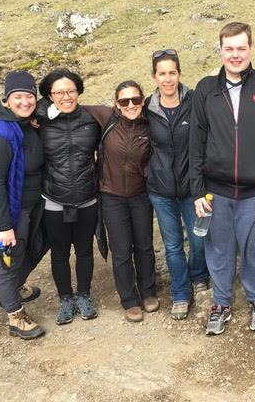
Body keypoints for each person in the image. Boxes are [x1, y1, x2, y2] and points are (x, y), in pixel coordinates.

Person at [189, 22, 255, 335]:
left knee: (253, 246)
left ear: (250, 49)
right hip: (216, 190)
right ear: (220, 51)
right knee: (219, 248)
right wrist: (197, 190)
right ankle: (221, 304)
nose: (235, 55)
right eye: (229, 49)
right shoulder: (205, 88)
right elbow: (196, 141)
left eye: (241, 48)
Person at [0, 71, 45, 340]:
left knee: (31, 249)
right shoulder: (1, 135)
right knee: (8, 263)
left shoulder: (23, 124)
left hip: (27, 205)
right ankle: (15, 316)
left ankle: (15, 286)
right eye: (18, 96)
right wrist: (4, 227)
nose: (25, 102)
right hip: (6, 212)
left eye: (29, 96)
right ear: (6, 99)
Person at [145, 49, 209, 321]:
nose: (168, 78)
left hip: (193, 189)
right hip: (161, 191)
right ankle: (180, 293)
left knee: (198, 241)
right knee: (172, 246)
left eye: (172, 72)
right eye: (162, 73)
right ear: (154, 76)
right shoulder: (147, 107)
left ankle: (199, 279)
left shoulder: (196, 101)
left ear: (180, 74)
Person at [86, 80, 157, 322]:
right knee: (121, 250)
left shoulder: (150, 122)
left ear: (142, 100)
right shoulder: (106, 117)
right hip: (112, 196)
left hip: (141, 194)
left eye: (136, 100)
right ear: (116, 104)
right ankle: (129, 300)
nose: (130, 105)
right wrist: (43, 112)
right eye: (124, 101)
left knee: (144, 246)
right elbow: (70, 104)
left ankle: (148, 292)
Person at [36, 68, 101, 325]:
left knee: (85, 250)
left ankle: (83, 296)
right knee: (59, 253)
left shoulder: (91, 119)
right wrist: (40, 109)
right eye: (59, 92)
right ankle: (66, 299)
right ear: (49, 95)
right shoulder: (39, 120)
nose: (66, 96)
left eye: (71, 90)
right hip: (54, 198)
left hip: (87, 196)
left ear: (79, 91)